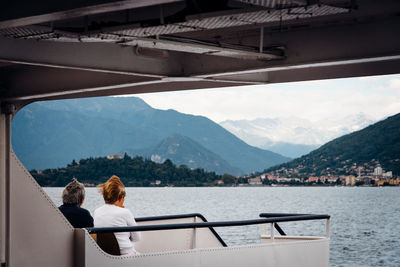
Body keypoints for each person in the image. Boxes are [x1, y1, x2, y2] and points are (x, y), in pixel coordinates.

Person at [94, 175, 141, 255]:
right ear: (121, 198)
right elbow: (137, 238)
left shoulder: (97, 212)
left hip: (105, 254)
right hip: (126, 254)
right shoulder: (125, 212)